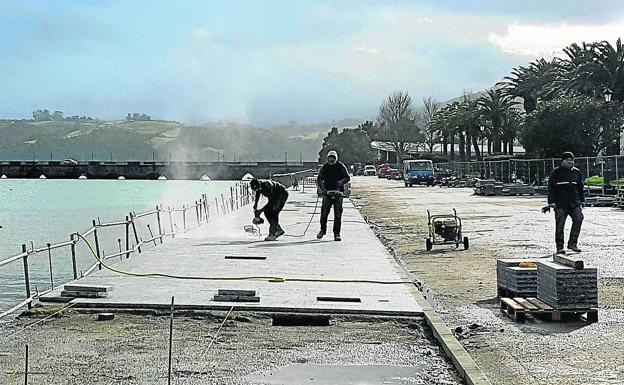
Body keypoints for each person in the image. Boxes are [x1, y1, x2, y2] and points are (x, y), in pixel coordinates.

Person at [546, 151, 585, 254]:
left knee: (578, 219)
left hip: (574, 203)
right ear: (562, 161)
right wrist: (551, 201)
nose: (569, 162)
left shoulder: (577, 173)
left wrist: (582, 201)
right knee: (560, 225)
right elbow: (550, 188)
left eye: (571, 160)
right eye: (567, 160)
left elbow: (580, 188)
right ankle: (559, 247)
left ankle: (572, 243)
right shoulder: (556, 173)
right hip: (560, 203)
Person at [316, 150, 350, 241]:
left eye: (333, 158)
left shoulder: (341, 166)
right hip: (327, 193)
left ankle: (337, 234)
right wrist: (324, 190)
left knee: (338, 215)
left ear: (336, 158)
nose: (331, 160)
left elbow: (347, 177)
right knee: (324, 213)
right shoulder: (325, 167)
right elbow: (319, 179)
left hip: (338, 193)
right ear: (327, 158)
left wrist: (341, 182)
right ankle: (322, 231)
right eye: (330, 158)